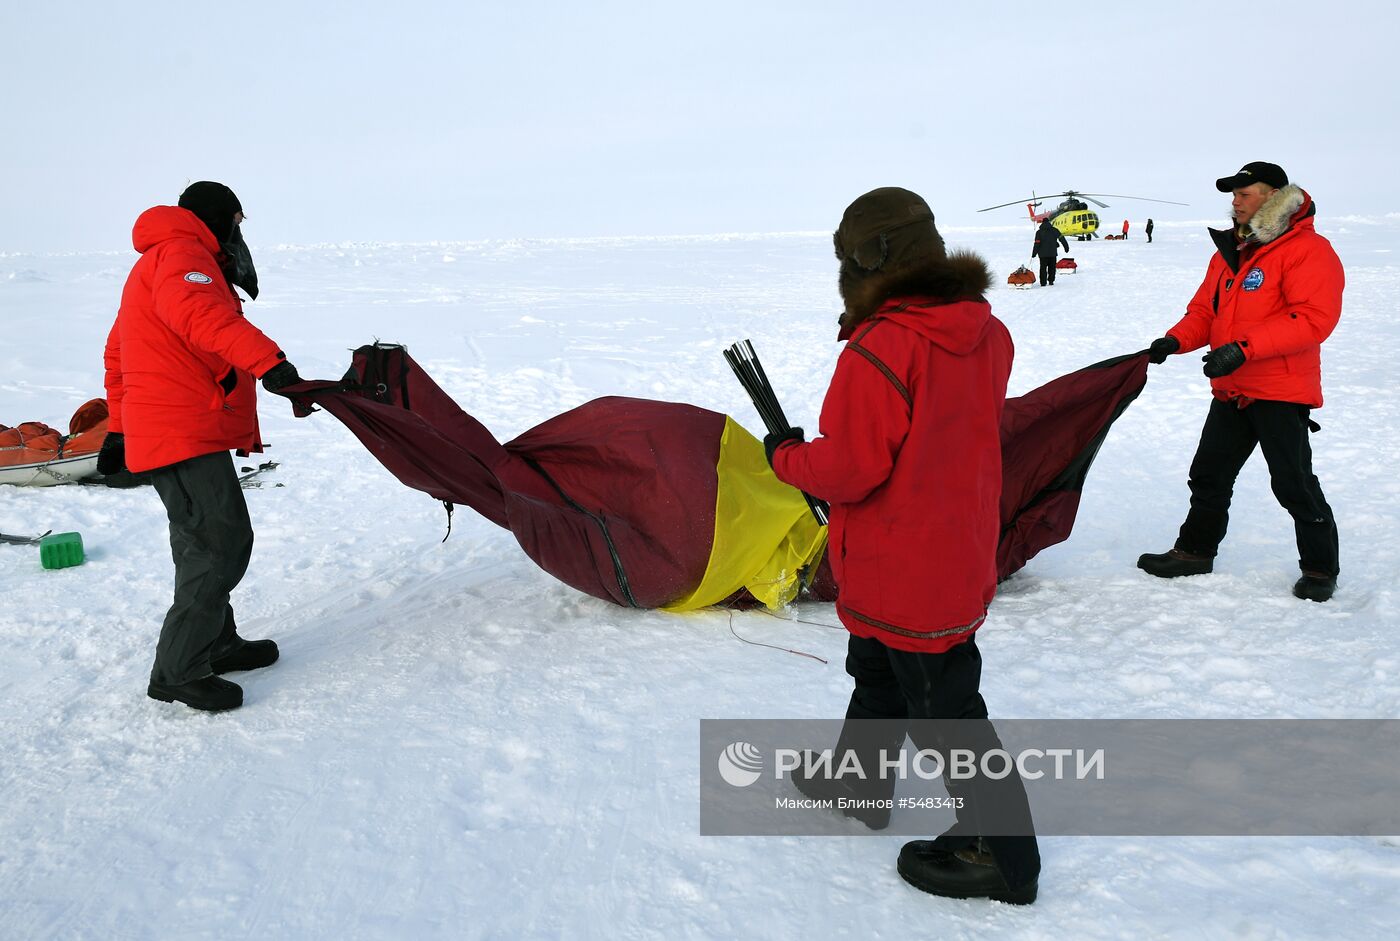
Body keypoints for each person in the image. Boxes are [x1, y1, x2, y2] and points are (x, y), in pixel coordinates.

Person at [766, 187, 1040, 904]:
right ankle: (859, 786)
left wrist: (788, 457)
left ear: (867, 261)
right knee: (878, 672)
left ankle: (1002, 855)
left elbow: (852, 467)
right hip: (951, 551)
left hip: (904, 564)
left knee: (947, 710)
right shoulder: (987, 330)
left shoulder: (883, 346)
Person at [100, 181, 304, 711]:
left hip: (173, 426)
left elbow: (119, 351)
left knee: (199, 542)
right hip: (179, 428)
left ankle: (215, 640)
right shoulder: (183, 255)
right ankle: (179, 669)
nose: (238, 233)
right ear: (218, 217)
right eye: (235, 221)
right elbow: (203, 317)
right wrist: (269, 362)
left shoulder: (159, 259)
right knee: (220, 541)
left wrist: (119, 429)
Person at [1139, 162, 1343, 602]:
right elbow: (1204, 312)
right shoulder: (1230, 253)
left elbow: (1313, 319)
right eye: (1232, 195)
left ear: (1272, 197)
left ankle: (1320, 568)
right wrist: (1175, 340)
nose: (1234, 202)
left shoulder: (1308, 250)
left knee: (1293, 483)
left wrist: (1243, 348)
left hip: (1280, 391)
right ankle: (1194, 552)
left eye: (1243, 194)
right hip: (1232, 388)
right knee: (1209, 475)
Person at [1031, 217, 1069, 286]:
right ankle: (1051, 281)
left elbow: (1037, 243)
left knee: (1043, 268)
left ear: (1042, 223)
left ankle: (1043, 282)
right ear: (1049, 222)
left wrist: (1034, 253)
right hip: (1052, 253)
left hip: (1042, 254)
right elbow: (1062, 238)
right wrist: (1066, 247)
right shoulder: (1054, 230)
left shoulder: (1039, 232)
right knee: (1052, 268)